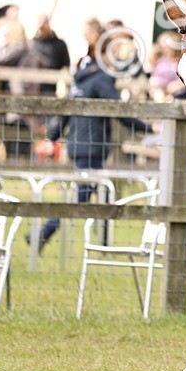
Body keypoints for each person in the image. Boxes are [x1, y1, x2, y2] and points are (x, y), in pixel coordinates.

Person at [32, 19, 151, 253]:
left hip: (79, 144)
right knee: (85, 196)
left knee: (99, 193)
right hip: (92, 146)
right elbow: (120, 112)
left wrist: (52, 138)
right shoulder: (101, 80)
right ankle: (45, 233)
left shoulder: (81, 79)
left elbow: (66, 112)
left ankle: (102, 243)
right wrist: (147, 128)